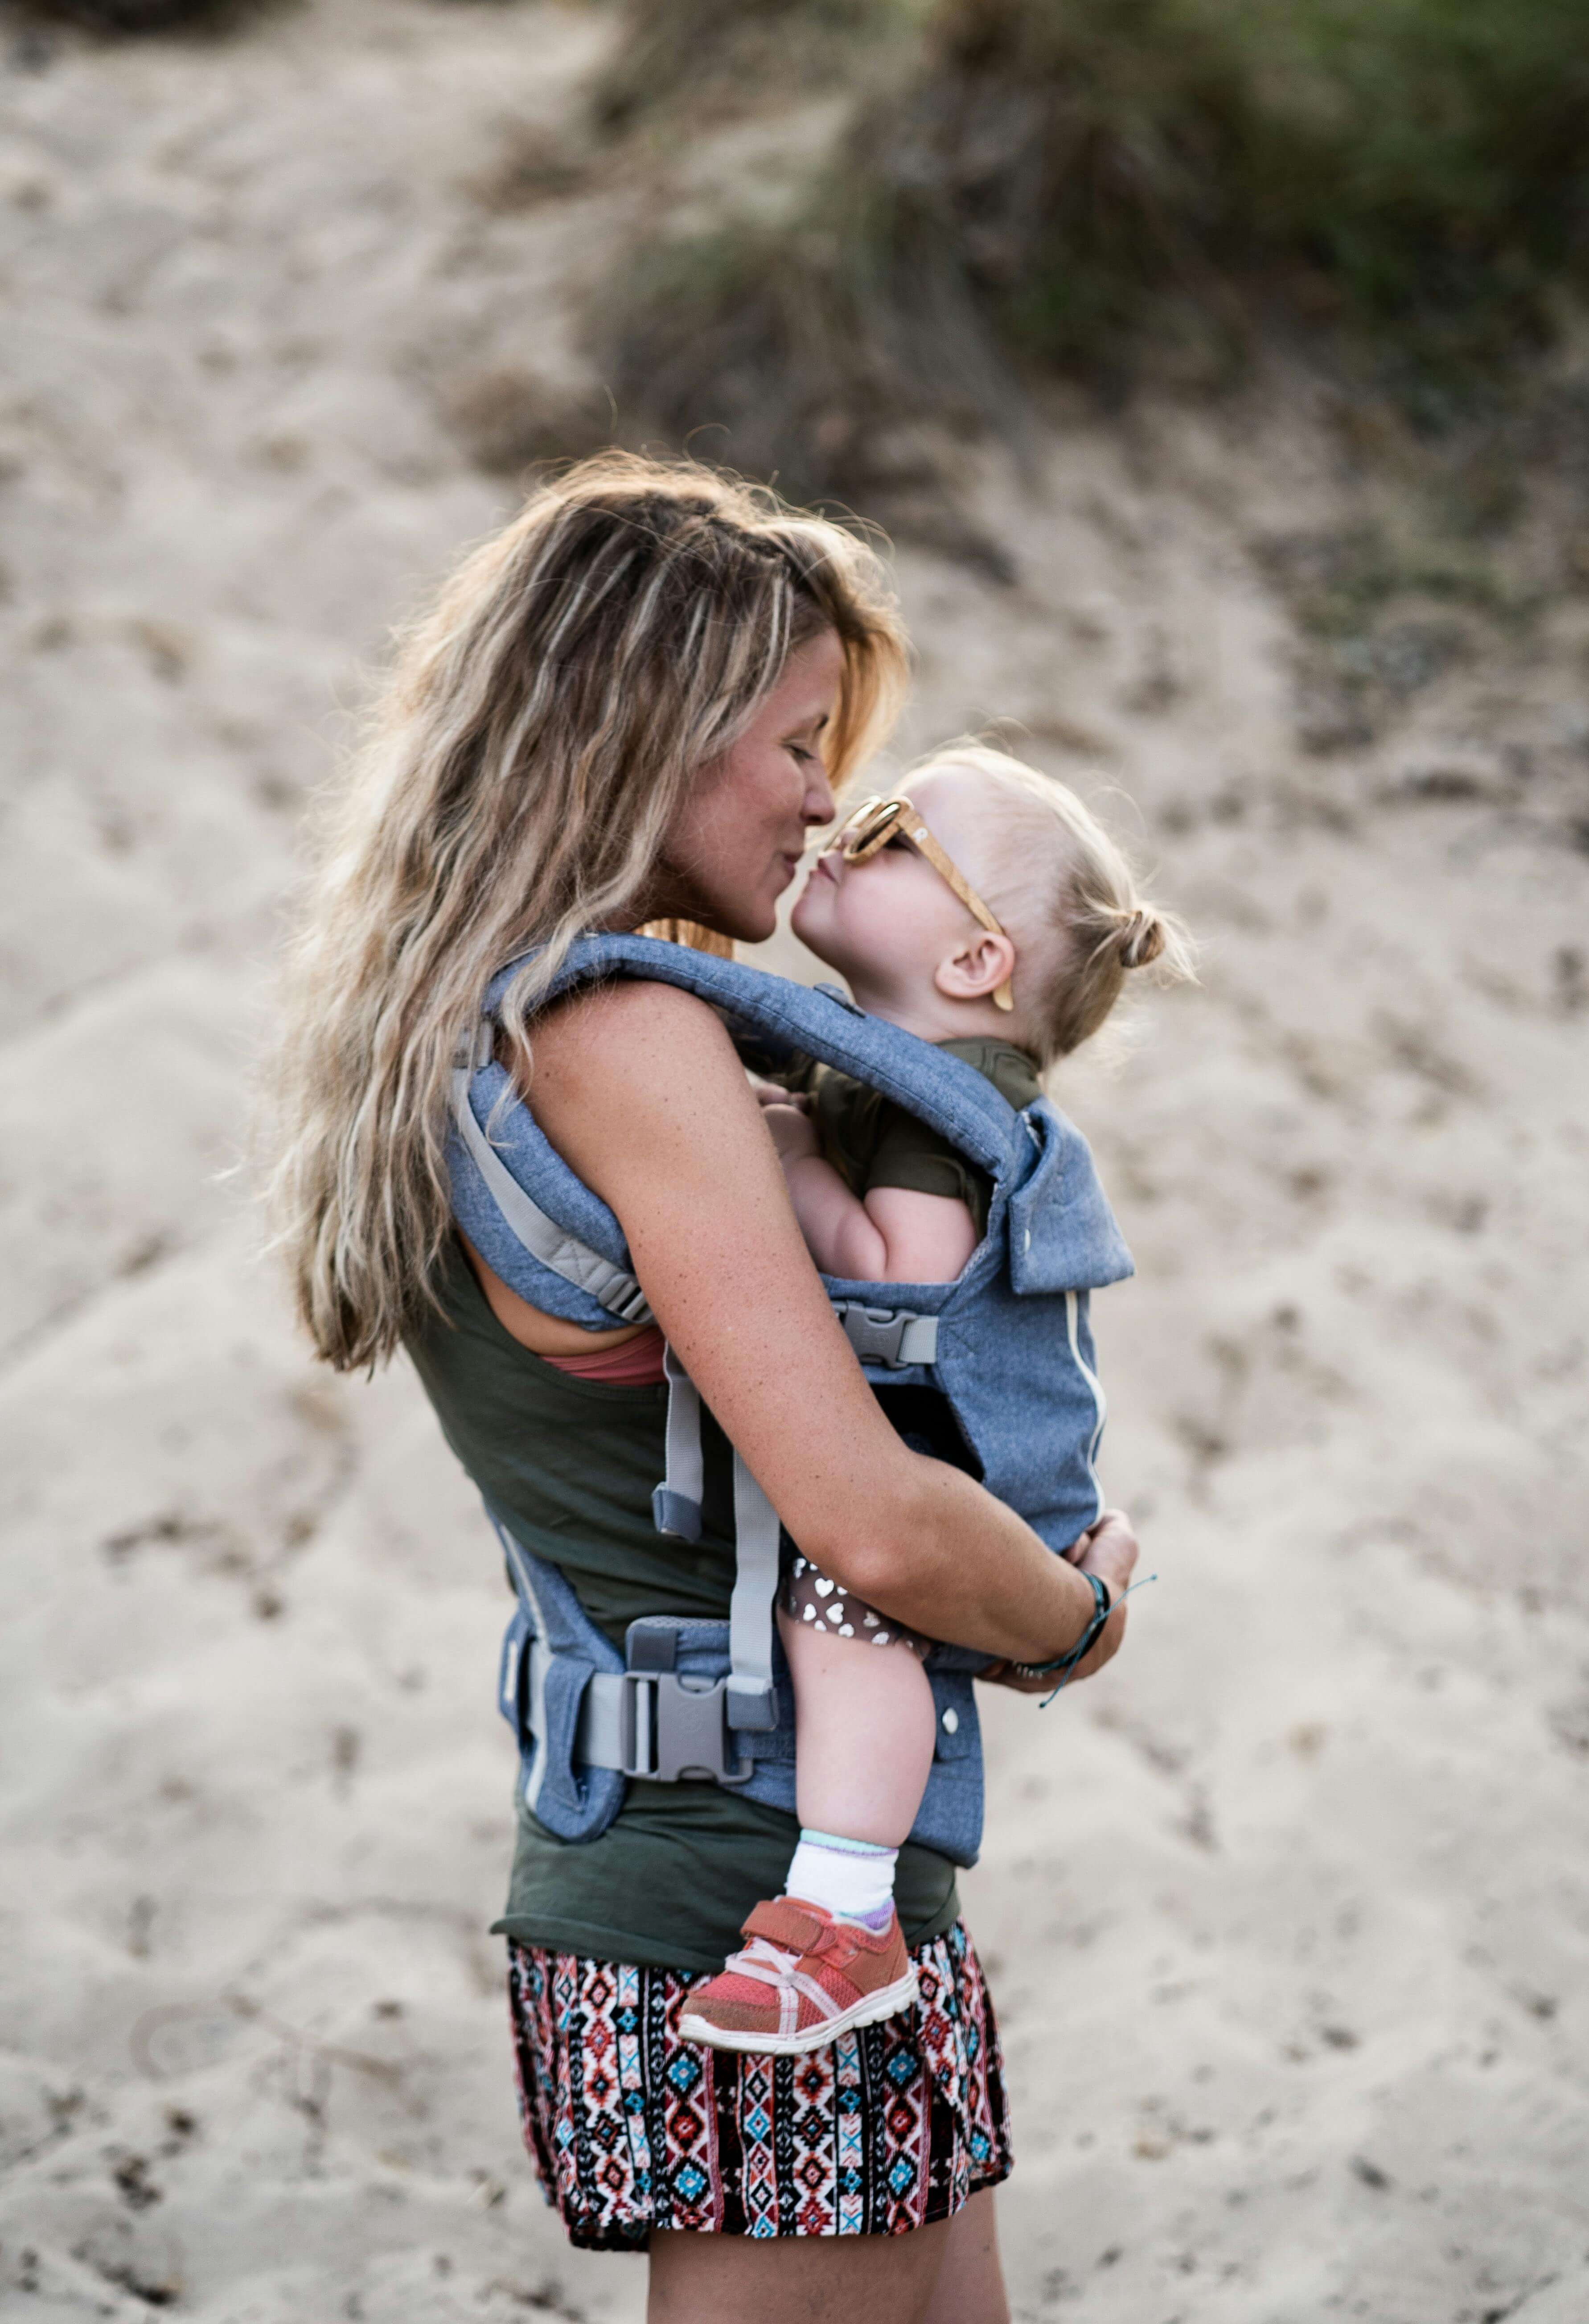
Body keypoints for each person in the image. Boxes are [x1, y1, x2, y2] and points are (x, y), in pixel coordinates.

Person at [268, 454, 1141, 2323]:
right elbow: (871, 1518)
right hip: (747, 1898)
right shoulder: (630, 1034)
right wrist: (1072, 1623)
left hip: (723, 1864)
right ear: (647, 732)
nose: (828, 801)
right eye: (801, 743)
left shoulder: (483, 1010)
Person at [678, 742, 1190, 2056]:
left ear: (972, 966)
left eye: (899, 830)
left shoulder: (940, 1104)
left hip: (966, 1456)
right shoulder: (893, 1068)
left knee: (848, 1606)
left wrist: (784, 1155)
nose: (849, 825)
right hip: (960, 1434)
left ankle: (847, 1913)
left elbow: (911, 1276)